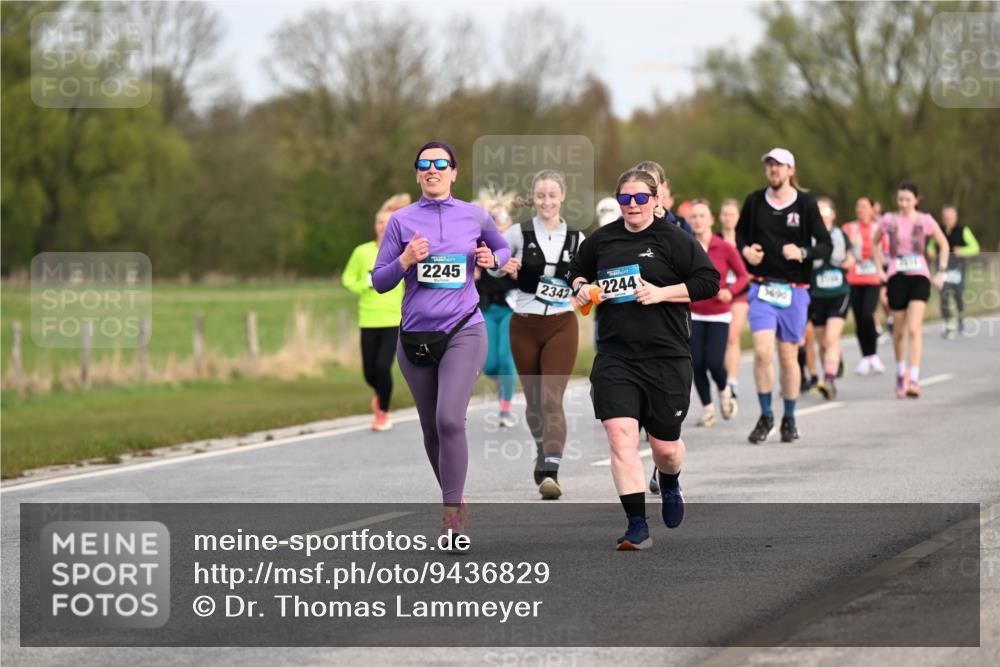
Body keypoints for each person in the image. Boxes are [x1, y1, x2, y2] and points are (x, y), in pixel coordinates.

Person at [568, 168, 719, 550]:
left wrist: (662, 293)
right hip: (617, 355)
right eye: (624, 199)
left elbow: (708, 282)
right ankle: (636, 525)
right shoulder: (602, 240)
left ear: (656, 201)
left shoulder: (674, 239)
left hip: (667, 355)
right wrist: (581, 288)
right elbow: (577, 270)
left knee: (665, 448)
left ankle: (669, 481)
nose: (632, 205)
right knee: (620, 436)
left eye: (639, 198)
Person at [372, 141, 510, 534]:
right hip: (414, 336)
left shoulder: (475, 216)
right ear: (417, 174)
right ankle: (456, 496)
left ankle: (451, 516)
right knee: (431, 428)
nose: (432, 169)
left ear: (454, 172)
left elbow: (500, 249)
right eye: (424, 164)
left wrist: (492, 260)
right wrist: (404, 260)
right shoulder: (401, 221)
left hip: (463, 328)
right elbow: (380, 281)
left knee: (450, 419)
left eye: (440, 163)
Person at [491, 170, 584, 500]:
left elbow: (586, 276)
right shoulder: (518, 232)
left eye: (552, 195)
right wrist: (505, 264)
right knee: (532, 402)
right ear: (534, 198)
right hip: (524, 323)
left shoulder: (576, 239)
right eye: (541, 195)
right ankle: (542, 447)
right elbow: (494, 263)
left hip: (561, 323)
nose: (547, 201)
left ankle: (551, 470)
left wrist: (583, 291)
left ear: (563, 197)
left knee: (550, 397)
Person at [737, 148, 831, 444]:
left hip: (794, 290)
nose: (773, 170)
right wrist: (746, 251)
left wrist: (802, 252)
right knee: (763, 352)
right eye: (769, 165)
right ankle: (766, 415)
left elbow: (826, 245)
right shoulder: (754, 201)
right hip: (763, 287)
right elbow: (740, 235)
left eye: (779, 166)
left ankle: (789, 417)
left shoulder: (805, 204)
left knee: (789, 357)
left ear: (791, 169)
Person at [872, 182, 949, 398]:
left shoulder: (925, 220)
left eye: (908, 199)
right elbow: (874, 241)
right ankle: (900, 373)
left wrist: (941, 271)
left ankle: (914, 379)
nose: (904, 204)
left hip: (920, 276)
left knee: (914, 329)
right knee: (899, 331)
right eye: (900, 200)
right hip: (897, 276)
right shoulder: (889, 220)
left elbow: (943, 244)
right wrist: (880, 268)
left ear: (916, 200)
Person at [342, 194, 410, 431]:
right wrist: (364, 284)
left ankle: (383, 412)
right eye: (379, 222)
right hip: (368, 318)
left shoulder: (402, 253)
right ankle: (379, 391)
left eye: (388, 223)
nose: (383, 227)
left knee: (383, 366)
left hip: (393, 318)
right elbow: (347, 278)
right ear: (375, 225)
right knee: (369, 372)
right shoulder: (362, 252)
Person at [688, 199, 749, 426]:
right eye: (693, 217)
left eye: (702, 216)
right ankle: (708, 409)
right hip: (693, 313)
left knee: (714, 362)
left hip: (719, 314)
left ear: (711, 220)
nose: (697, 220)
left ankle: (724, 391)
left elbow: (743, 276)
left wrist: (730, 292)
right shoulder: (686, 246)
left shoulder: (724, 248)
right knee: (696, 364)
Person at [473, 187, 519, 427]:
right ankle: (503, 382)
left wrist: (517, 274)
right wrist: (474, 274)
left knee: (505, 357)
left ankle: (505, 409)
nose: (500, 224)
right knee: (487, 363)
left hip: (512, 309)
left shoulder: (516, 245)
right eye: (495, 219)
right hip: (487, 308)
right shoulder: (479, 246)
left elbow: (531, 279)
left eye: (504, 219)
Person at [808, 198, 855, 400]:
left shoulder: (841, 235)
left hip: (838, 293)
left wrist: (846, 263)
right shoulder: (807, 236)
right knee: (823, 342)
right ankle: (833, 365)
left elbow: (851, 259)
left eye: (824, 209)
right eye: (817, 209)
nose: (821, 212)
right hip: (817, 294)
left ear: (833, 214)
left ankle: (829, 380)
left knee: (830, 338)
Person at [843, 196, 889, 375]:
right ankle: (865, 357)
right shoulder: (848, 228)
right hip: (853, 280)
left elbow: (886, 254)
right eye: (858, 206)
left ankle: (873, 354)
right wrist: (849, 246)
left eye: (864, 207)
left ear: (872, 209)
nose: (860, 210)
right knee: (859, 319)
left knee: (868, 313)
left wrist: (876, 258)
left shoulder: (879, 230)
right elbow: (839, 251)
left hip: (872, 279)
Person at [928, 205, 980, 339]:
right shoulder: (938, 230)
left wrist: (962, 251)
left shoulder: (963, 230)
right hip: (943, 269)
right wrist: (931, 251)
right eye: (945, 218)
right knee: (944, 297)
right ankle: (949, 326)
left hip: (958, 269)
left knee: (958, 297)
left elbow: (975, 247)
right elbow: (930, 246)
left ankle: (961, 319)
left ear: (955, 217)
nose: (948, 220)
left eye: (950, 217)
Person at [719, 198, 750, 413]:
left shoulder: (745, 241)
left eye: (732, 214)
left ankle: (731, 380)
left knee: (732, 337)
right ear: (720, 217)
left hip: (739, 293)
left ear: (738, 217)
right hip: (718, 294)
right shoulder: (715, 240)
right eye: (725, 214)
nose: (729, 218)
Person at [634, 161, 694, 235]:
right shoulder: (623, 225)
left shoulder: (682, 226)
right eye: (643, 184)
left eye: (653, 184)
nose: (648, 190)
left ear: (664, 186)